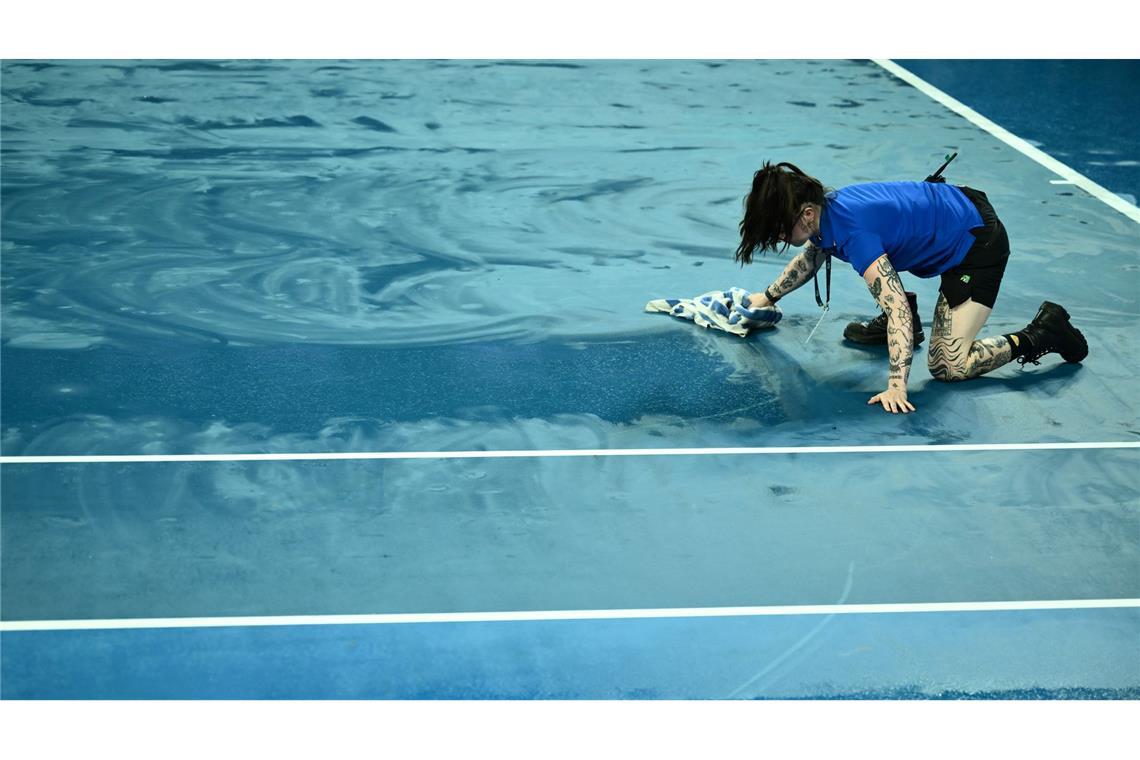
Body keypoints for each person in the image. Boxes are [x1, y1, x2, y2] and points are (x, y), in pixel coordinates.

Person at [734, 161, 1088, 414]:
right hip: (951, 216)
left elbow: (897, 306)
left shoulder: (855, 234)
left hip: (976, 243)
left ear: (807, 213)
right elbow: (814, 255)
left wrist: (896, 384)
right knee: (898, 309)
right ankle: (909, 331)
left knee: (949, 366)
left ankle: (1044, 331)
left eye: (781, 228)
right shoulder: (827, 216)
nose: (778, 236)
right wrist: (766, 298)